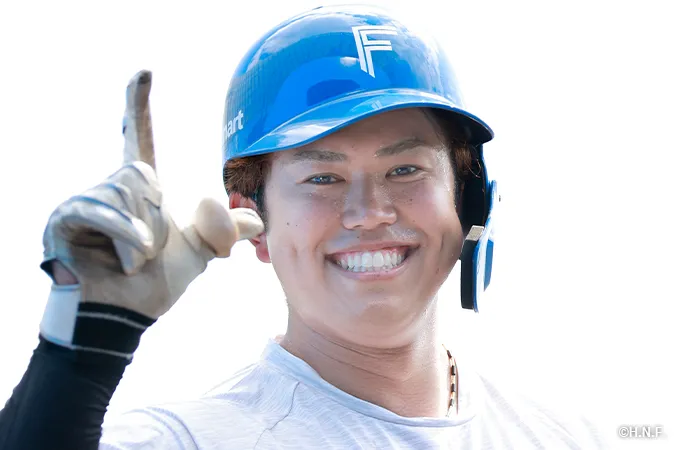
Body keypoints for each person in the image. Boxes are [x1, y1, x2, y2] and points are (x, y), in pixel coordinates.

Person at [0, 5, 607, 449]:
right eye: (323, 177)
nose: (370, 211)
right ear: (253, 219)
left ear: (468, 199)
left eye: (405, 169)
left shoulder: (569, 438)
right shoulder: (189, 440)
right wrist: (79, 353)